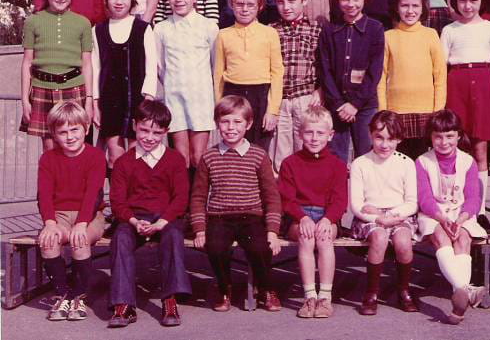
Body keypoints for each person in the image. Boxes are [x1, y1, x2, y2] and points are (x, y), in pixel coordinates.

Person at [191, 96, 283, 312]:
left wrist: (272, 231)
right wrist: (199, 230)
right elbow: (198, 197)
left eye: (237, 122)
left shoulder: (259, 155)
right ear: (217, 124)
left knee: (260, 247)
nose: (231, 127)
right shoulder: (209, 156)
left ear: (248, 124)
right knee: (215, 247)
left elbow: (271, 196)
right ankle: (224, 288)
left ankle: (266, 288)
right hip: (219, 217)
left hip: (251, 217)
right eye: (225, 122)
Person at [108, 100, 191, 328]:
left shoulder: (175, 159)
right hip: (134, 218)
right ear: (134, 126)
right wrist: (134, 221)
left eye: (157, 133)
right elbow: (117, 202)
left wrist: (162, 222)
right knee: (121, 238)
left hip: (165, 218)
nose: (149, 137)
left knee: (173, 236)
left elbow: (180, 198)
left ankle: (170, 299)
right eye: (144, 130)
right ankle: (123, 304)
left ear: (166, 132)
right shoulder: (123, 162)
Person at [441, 0, 490, 229]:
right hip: (456, 85)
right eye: (463, 0)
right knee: (454, 147)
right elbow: (441, 69)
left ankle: (479, 210)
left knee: (480, 150)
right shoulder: (449, 30)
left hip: (485, 85)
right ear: (456, 0)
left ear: (482, 0)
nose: (468, 6)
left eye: (473, 0)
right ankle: (454, 205)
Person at [415, 109, 487, 325]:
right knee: (441, 237)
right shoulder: (422, 161)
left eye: (449, 136)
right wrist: (442, 219)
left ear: (458, 136)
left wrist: (461, 219)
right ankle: (465, 290)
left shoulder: (468, 161)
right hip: (433, 213)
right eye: (438, 136)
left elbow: (473, 198)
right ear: (431, 137)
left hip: (460, 213)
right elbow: (424, 198)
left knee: (463, 238)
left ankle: (460, 294)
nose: (444, 142)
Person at [37, 101, 106, 321]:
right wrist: (50, 223)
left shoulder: (96, 156)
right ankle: (62, 294)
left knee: (80, 240)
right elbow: (44, 195)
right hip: (59, 215)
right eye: (63, 132)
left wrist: (82, 223)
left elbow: (93, 194)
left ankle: (79, 296)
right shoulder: (48, 158)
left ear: (86, 128)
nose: (70, 137)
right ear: (54, 134)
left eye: (74, 130)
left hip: (90, 214)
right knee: (49, 241)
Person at [277, 106, 348, 318]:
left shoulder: (337, 165)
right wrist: (302, 217)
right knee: (306, 237)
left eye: (320, 133)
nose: (314, 138)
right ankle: (309, 296)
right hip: (298, 217)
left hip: (327, 216)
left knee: (324, 238)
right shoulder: (290, 163)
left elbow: (340, 201)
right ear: (300, 134)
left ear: (330, 135)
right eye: (309, 132)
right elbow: (286, 199)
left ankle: (325, 297)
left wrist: (328, 219)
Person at [349, 111, 419, 315]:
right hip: (369, 219)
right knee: (379, 237)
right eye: (379, 137)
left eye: (391, 139)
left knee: (403, 242)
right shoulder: (360, 163)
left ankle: (404, 290)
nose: (385, 144)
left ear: (399, 139)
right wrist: (378, 217)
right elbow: (357, 205)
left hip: (399, 215)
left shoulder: (406, 163)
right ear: (371, 135)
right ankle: (371, 293)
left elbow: (412, 202)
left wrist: (392, 215)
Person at [20, 0, 93, 151]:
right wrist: (24, 100)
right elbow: (27, 62)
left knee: (74, 147)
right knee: (50, 148)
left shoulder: (83, 23)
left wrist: (89, 100)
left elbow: (87, 64)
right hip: (42, 89)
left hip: (74, 90)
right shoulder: (32, 21)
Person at [92, 0, 157, 169]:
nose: (119, 1)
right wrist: (95, 103)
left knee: (137, 155)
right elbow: (96, 68)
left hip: (137, 101)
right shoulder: (98, 30)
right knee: (115, 156)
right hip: (110, 102)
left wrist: (148, 99)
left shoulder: (143, 28)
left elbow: (151, 66)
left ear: (133, 0)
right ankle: (117, 190)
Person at [154, 0, 219, 169]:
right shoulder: (161, 28)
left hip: (201, 98)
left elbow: (215, 64)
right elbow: (160, 66)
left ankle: (200, 191)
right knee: (181, 158)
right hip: (174, 98)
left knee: (198, 156)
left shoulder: (208, 26)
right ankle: (181, 190)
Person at [319, 0, 384, 163]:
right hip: (336, 105)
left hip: (364, 106)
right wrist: (339, 104)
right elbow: (325, 70)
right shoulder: (328, 30)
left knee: (367, 156)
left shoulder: (375, 29)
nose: (350, 4)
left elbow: (374, 72)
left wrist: (355, 104)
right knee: (336, 158)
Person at [214, 0, 283, 151]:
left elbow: (277, 73)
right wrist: (218, 107)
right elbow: (218, 74)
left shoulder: (270, 33)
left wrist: (272, 110)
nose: (245, 9)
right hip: (232, 93)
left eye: (250, 4)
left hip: (260, 95)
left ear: (260, 5)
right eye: (239, 4)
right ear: (231, 4)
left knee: (259, 148)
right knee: (232, 144)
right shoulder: (223, 35)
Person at [377, 0, 446, 159]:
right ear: (396, 7)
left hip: (426, 110)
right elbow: (381, 76)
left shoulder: (431, 35)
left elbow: (440, 75)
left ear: (423, 8)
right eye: (404, 5)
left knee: (424, 161)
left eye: (415, 5)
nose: (410, 11)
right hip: (396, 111)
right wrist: (383, 111)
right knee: (398, 161)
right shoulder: (388, 36)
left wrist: (438, 110)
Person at [268, 0, 323, 172]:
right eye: (280, 2)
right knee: (279, 149)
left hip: (306, 97)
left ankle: (307, 185)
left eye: (292, 1)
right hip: (280, 98)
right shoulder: (271, 30)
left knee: (306, 144)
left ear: (304, 0)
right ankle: (283, 186)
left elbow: (323, 64)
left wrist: (320, 90)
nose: (286, 7)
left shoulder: (316, 29)